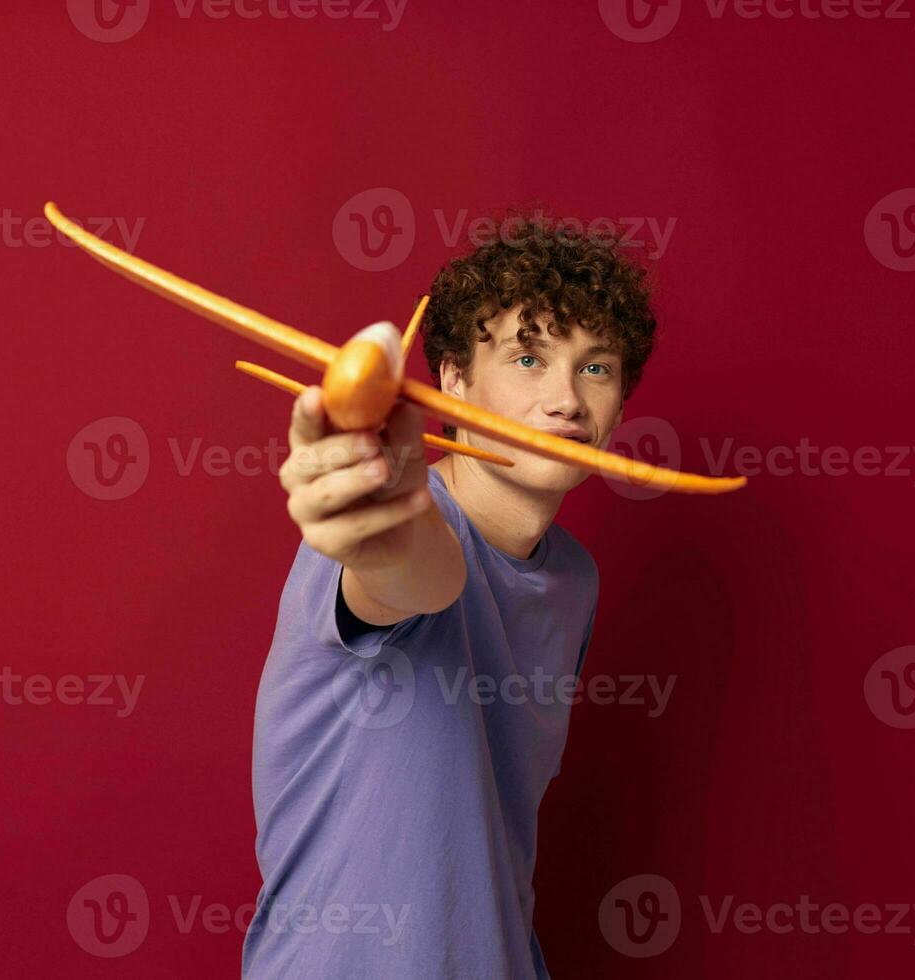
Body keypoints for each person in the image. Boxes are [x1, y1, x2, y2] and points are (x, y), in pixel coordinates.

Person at [243, 214, 659, 979]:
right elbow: (414, 574)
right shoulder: (398, 533)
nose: (567, 400)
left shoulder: (575, 580)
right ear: (455, 381)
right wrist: (384, 520)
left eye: (596, 368)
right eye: (529, 358)